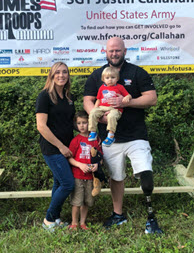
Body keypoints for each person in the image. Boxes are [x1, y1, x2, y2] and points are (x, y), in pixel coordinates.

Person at [83, 37, 163, 234]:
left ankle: (151, 218)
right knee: (116, 177)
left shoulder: (137, 72)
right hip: (111, 138)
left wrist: (126, 102)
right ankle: (118, 215)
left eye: (118, 50)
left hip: (136, 136)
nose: (114, 54)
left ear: (125, 51)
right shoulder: (97, 75)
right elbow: (87, 100)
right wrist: (100, 117)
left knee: (145, 173)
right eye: (111, 51)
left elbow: (151, 98)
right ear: (106, 52)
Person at [36, 62, 75, 232]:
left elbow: (69, 123)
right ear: (51, 75)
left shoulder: (67, 97)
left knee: (59, 182)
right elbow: (41, 126)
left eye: (64, 72)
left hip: (66, 146)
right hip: (53, 148)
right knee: (68, 184)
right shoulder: (45, 96)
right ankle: (48, 219)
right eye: (57, 72)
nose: (61, 75)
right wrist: (61, 147)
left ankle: (56, 218)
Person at [67, 111, 102, 230]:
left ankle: (82, 222)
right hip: (78, 176)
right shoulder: (76, 140)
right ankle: (74, 223)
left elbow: (100, 156)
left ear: (90, 123)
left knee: (87, 201)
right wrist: (80, 165)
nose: (82, 125)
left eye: (85, 123)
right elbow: (69, 158)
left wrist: (97, 164)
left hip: (91, 178)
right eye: (79, 123)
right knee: (77, 202)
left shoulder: (95, 139)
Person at [88, 67, 132, 146]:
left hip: (115, 109)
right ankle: (93, 131)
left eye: (113, 77)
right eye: (107, 78)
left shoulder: (120, 87)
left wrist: (126, 98)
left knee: (111, 116)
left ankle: (111, 136)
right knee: (93, 113)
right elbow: (98, 99)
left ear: (117, 78)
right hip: (102, 107)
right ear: (103, 79)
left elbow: (128, 95)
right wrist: (95, 109)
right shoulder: (102, 88)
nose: (110, 80)